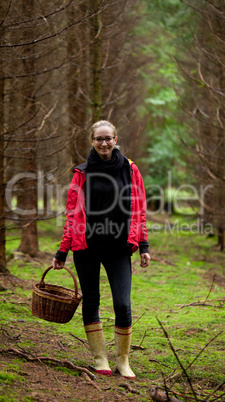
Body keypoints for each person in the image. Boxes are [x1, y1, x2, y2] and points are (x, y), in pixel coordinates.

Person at [52, 120, 150, 378]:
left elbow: (139, 210)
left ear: (116, 139)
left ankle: (123, 361)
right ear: (92, 141)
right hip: (86, 247)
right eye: (99, 139)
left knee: (122, 304)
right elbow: (72, 215)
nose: (104, 143)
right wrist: (63, 251)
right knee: (91, 301)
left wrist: (143, 245)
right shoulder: (81, 173)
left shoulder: (130, 170)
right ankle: (100, 358)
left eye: (108, 138)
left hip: (118, 247)